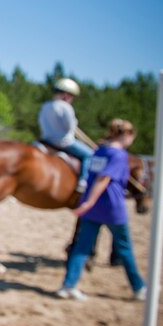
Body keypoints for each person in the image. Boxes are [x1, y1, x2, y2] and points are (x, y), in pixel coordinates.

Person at [57, 119, 146, 301]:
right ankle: (139, 287)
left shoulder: (99, 151)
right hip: (111, 206)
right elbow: (103, 179)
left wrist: (88, 202)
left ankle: (68, 285)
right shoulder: (119, 155)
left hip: (93, 208)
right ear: (127, 135)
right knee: (124, 248)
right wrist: (89, 202)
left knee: (82, 248)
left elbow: (94, 175)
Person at [38, 77, 93, 192]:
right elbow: (70, 127)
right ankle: (83, 180)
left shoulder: (46, 106)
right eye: (71, 96)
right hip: (64, 142)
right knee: (90, 155)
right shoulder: (66, 107)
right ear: (66, 95)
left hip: (46, 140)